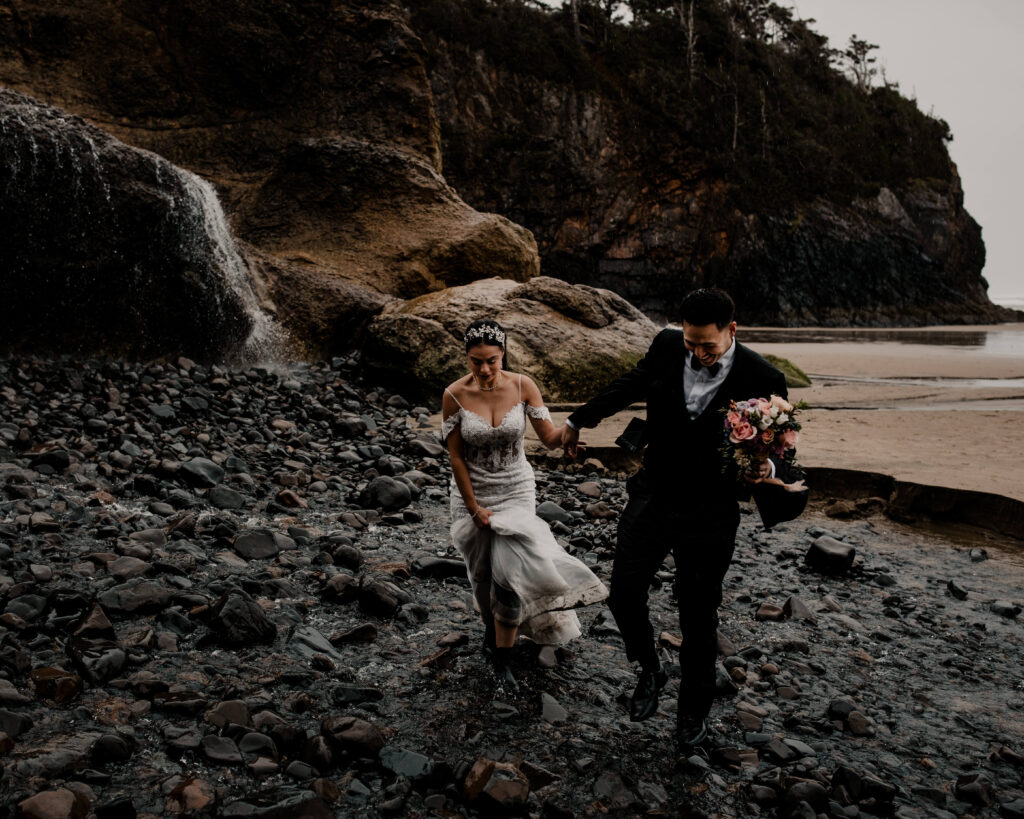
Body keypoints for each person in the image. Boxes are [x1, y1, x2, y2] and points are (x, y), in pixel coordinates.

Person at [561, 287, 799, 747]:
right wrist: (577, 420)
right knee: (624, 594)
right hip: (652, 496)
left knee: (697, 616)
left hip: (711, 512)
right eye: (692, 344)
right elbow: (629, 385)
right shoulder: (668, 345)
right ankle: (649, 667)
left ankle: (693, 714)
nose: (698, 354)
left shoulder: (763, 377)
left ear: (732, 331)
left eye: (707, 345)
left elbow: (784, 453)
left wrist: (766, 468)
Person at [442, 319, 608, 692]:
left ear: (504, 354)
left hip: (516, 489)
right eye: (475, 361)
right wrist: (473, 508)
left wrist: (569, 437)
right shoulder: (453, 395)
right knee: (481, 573)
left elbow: (548, 438)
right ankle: (492, 628)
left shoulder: (523, 385)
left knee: (510, 570)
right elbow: (455, 459)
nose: (484, 369)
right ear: (466, 358)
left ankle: (504, 659)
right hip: (473, 492)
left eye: (492, 360)